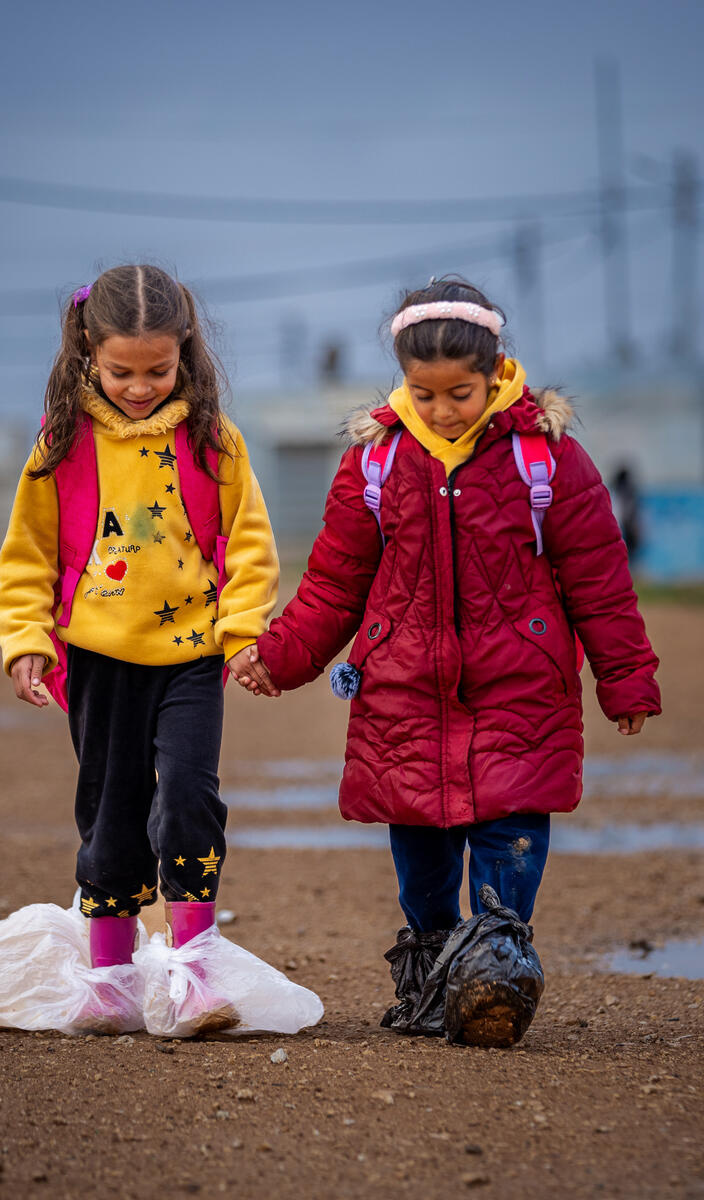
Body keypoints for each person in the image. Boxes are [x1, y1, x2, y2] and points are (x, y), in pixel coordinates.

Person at [240, 276, 661, 1046]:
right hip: (402, 693)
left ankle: (496, 970)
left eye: (460, 393)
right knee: (422, 847)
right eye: (422, 393)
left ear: (497, 370)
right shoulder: (375, 464)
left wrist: (625, 674)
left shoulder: (548, 460)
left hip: (519, 690)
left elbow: (600, 577)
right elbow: (335, 582)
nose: (440, 410)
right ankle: (435, 974)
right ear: (403, 380)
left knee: (510, 833)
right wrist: (281, 655)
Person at [0, 264, 280, 1032]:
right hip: (98, 661)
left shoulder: (214, 441)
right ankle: (111, 979)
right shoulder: (60, 445)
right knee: (112, 813)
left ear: (185, 352)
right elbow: (28, 553)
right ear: (89, 351)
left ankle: (194, 973)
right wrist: (27, 639)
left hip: (191, 659)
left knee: (189, 797)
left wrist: (244, 633)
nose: (140, 386)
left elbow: (250, 547)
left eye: (159, 370)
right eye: (122, 371)